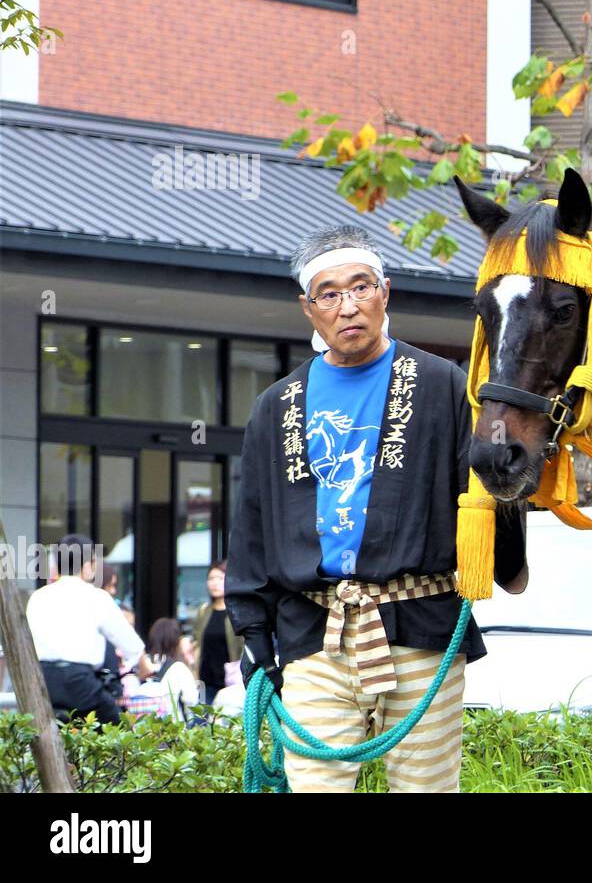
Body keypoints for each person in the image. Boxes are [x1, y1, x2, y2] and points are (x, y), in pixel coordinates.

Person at [225, 225, 526, 792]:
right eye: (330, 293)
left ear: (385, 292)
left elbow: (486, 495)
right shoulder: (276, 405)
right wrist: (253, 629)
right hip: (315, 631)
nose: (348, 306)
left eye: (360, 287)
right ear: (308, 308)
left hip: (420, 624)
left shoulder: (443, 385)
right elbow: (253, 527)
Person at [25, 534, 145, 725]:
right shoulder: (97, 597)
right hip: (81, 685)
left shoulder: (37, 598)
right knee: (119, 732)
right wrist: (145, 669)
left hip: (42, 683)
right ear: (88, 565)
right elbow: (132, 647)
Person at [192, 560, 243, 706]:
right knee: (202, 721)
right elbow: (197, 641)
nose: (214, 583)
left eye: (220, 578)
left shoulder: (237, 611)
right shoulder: (204, 611)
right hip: (206, 680)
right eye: (211, 579)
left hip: (231, 679)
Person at [136, 617, 201, 721]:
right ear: (175, 640)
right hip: (173, 729)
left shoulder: (143, 664)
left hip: (142, 730)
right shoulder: (179, 668)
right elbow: (192, 701)